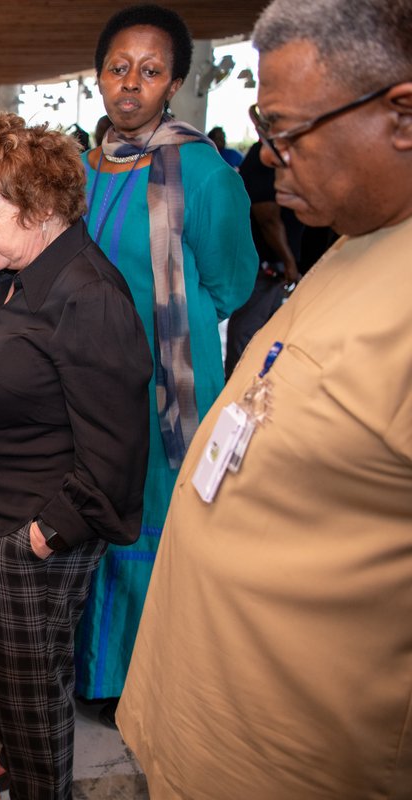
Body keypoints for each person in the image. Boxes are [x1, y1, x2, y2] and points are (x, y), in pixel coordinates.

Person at [119, 0, 412, 794]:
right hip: (209, 740)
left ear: (402, 116)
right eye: (261, 124)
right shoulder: (356, 239)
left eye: (285, 131)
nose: (265, 156)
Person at [0, 113, 152, 800]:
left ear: (39, 210)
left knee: (35, 692)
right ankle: (27, 770)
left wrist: (46, 535)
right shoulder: (28, 269)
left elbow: (117, 452)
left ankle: (42, 788)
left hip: (33, 530)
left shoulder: (86, 294)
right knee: (8, 673)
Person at [72, 3, 256, 722]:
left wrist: (161, 336)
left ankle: (150, 683)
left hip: (167, 387)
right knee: (97, 520)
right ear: (98, 77)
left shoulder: (202, 170)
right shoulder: (82, 168)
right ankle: (97, 676)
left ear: (173, 81)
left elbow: (230, 283)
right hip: (91, 384)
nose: (130, 84)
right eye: (118, 68)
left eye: (149, 71)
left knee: (156, 527)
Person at [223, 140, 303, 377]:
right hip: (264, 264)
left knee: (266, 334)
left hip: (278, 265)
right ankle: (236, 388)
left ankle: (251, 386)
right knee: (246, 334)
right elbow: (266, 215)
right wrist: (288, 260)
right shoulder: (265, 155)